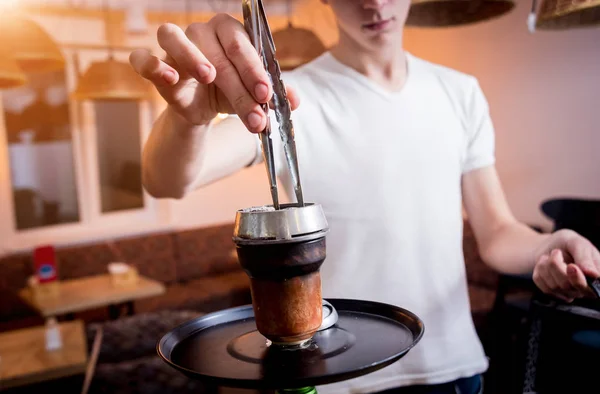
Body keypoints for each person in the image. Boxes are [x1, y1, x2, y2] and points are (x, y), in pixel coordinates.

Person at [129, 1, 600, 393]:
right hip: (337, 377)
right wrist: (187, 121)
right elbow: (169, 182)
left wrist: (546, 244)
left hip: (453, 369)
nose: (374, 2)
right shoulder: (287, 97)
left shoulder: (460, 94)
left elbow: (496, 235)